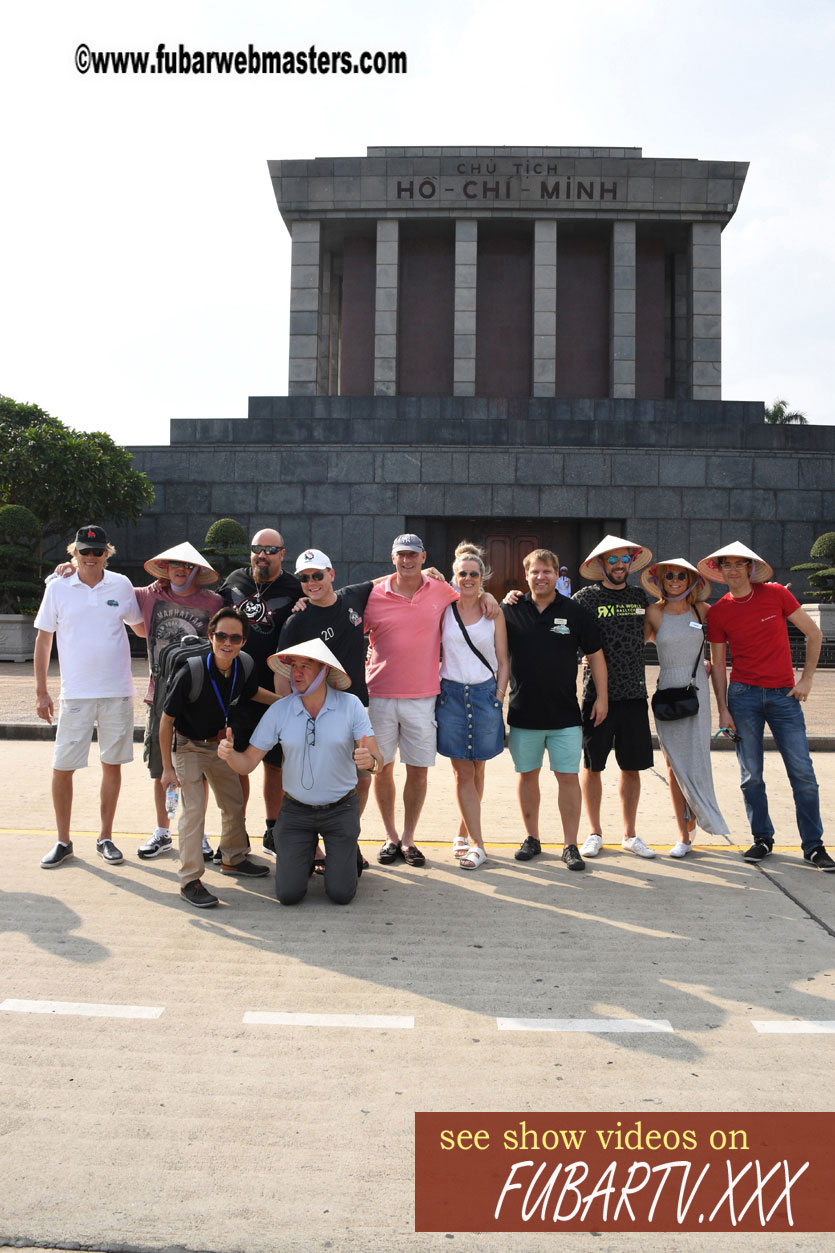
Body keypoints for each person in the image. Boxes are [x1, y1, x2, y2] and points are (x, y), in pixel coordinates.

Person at [699, 541, 834, 872]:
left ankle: (813, 846)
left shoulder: (776, 594)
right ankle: (762, 838)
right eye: (725, 565)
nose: (732, 570)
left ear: (749, 567)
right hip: (742, 697)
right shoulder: (719, 612)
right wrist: (723, 709)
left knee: (803, 773)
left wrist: (806, 680)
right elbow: (718, 665)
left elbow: (814, 635)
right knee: (751, 776)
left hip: (783, 696)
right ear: (718, 572)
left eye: (737, 564)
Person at [219, 639, 382, 906]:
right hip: (296, 812)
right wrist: (230, 755)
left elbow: (378, 759)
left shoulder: (350, 705)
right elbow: (247, 763)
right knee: (288, 895)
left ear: (324, 671)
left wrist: (370, 761)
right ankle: (303, 854)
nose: (297, 672)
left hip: (341, 809)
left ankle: (344, 853)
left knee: (341, 894)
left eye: (306, 666)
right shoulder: (280, 710)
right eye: (294, 665)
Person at [35, 525, 143, 868]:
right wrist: (41, 692)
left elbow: (140, 625)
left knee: (111, 766)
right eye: (85, 552)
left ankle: (106, 837)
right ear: (74, 553)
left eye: (98, 552)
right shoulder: (58, 587)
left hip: (117, 692)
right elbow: (43, 640)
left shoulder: (122, 585)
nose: (91, 558)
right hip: (76, 694)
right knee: (62, 768)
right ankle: (63, 841)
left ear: (106, 554)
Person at [159, 608, 277, 907]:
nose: (227, 642)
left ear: (243, 641)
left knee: (233, 800)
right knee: (194, 810)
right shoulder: (192, 672)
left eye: (235, 637)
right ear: (210, 636)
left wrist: (286, 701)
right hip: (187, 746)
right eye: (221, 635)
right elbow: (166, 721)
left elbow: (252, 693)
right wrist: (166, 768)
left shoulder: (243, 665)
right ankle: (189, 881)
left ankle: (233, 859)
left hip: (219, 744)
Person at [502, 548, 607, 871]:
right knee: (527, 776)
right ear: (527, 575)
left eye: (547, 571)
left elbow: (597, 657)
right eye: (535, 571)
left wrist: (602, 698)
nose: (541, 576)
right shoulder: (511, 610)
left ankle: (570, 844)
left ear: (558, 575)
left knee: (567, 778)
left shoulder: (574, 611)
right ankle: (532, 838)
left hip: (564, 715)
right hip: (524, 713)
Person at [362, 533, 461, 867]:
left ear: (423, 557)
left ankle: (408, 838)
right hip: (380, 695)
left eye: (413, 555)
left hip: (422, 697)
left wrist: (493, 600)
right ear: (393, 558)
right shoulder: (373, 594)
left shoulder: (441, 591)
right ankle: (390, 837)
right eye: (401, 555)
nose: (407, 561)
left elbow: (472, 602)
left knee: (418, 771)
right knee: (382, 768)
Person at [276, 547, 376, 870]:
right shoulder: (297, 621)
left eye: (317, 575)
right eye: (304, 578)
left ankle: (345, 838)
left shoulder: (353, 598)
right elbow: (283, 673)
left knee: (362, 778)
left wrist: (426, 575)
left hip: (355, 709)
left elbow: (386, 581)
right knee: (315, 783)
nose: (311, 583)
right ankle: (314, 847)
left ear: (331, 574)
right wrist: (286, 715)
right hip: (316, 715)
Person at [132, 543, 224, 860]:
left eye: (187, 566)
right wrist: (67, 570)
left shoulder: (213, 602)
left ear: (197, 571)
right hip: (159, 695)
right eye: (174, 565)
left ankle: (196, 830)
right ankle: (163, 830)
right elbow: (105, 585)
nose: (180, 571)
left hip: (199, 696)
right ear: (165, 568)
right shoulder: (148, 595)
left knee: (197, 769)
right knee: (162, 769)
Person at [572, 534, 656, 860]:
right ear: (601, 564)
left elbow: (669, 618)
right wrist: (513, 597)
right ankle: (594, 832)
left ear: (630, 563)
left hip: (634, 694)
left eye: (625, 560)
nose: (619, 565)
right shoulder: (585, 598)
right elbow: (552, 607)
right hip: (596, 697)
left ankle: (630, 834)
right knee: (593, 766)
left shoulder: (640, 596)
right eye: (613, 559)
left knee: (631, 768)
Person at [220, 528, 302, 849]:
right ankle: (235, 832)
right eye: (257, 548)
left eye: (270, 549)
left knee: (275, 765)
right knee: (236, 764)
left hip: (276, 694)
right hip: (237, 694)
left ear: (283, 553)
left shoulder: (295, 588)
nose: (262, 555)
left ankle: (273, 829)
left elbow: (332, 597)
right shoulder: (235, 581)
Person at [643, 558, 729, 856]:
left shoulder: (702, 611)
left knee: (697, 759)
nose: (675, 580)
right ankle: (684, 834)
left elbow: (732, 627)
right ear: (661, 581)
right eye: (670, 576)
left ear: (691, 581)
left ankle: (699, 813)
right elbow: (630, 646)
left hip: (696, 691)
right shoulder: (653, 612)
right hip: (668, 690)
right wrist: (591, 656)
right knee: (672, 764)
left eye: (681, 576)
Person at [436, 542, 510, 870]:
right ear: (454, 576)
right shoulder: (443, 608)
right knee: (461, 770)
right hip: (450, 696)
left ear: (483, 577)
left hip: (484, 696)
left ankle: (464, 830)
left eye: (474, 574)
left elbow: (504, 660)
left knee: (479, 767)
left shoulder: (493, 612)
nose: (468, 578)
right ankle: (479, 845)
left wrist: (499, 696)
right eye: (462, 573)